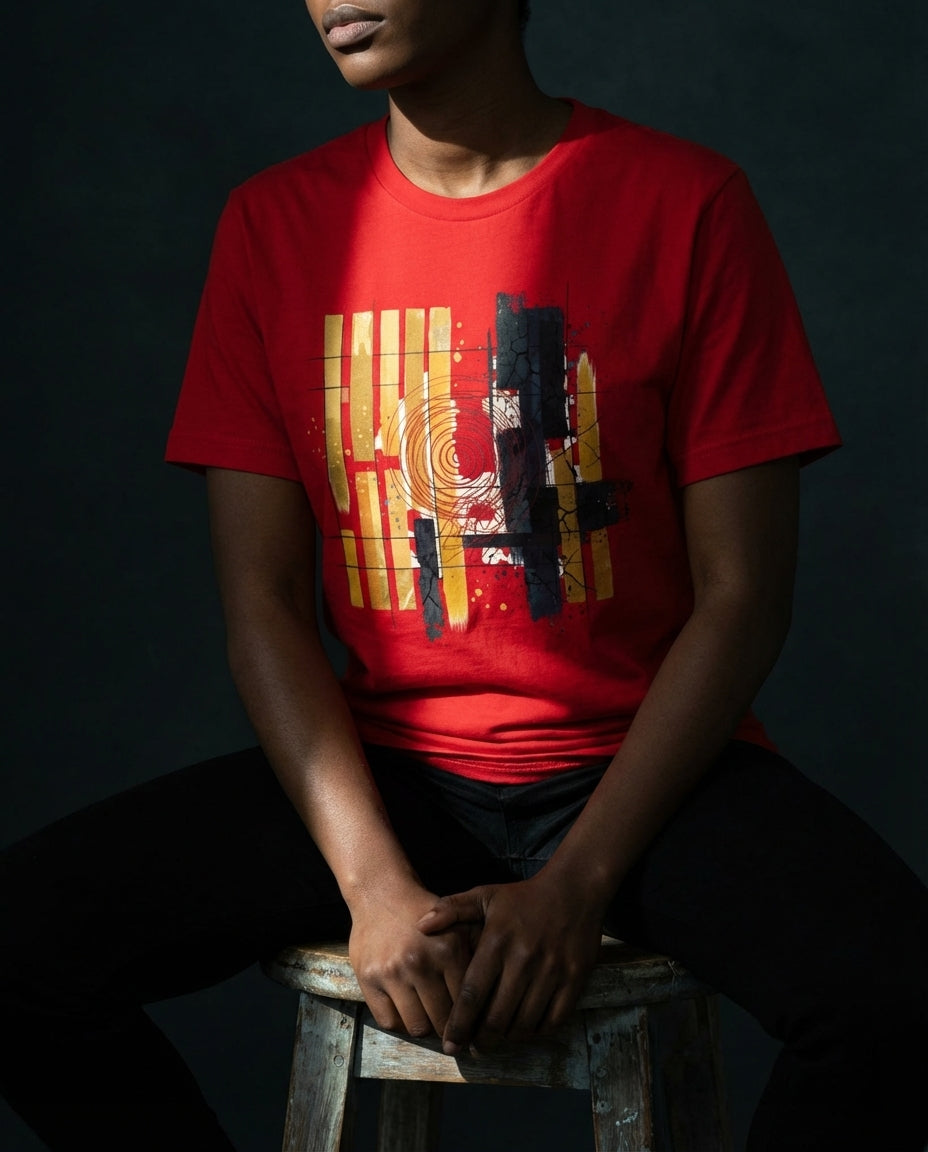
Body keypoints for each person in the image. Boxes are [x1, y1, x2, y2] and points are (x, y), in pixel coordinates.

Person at [3, 1, 926, 1149]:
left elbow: (741, 599)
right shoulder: (274, 224)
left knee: (902, 998)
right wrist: (372, 885)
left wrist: (578, 886)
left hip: (640, 771)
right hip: (388, 773)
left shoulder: (686, 204)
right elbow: (267, 608)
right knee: (17, 951)